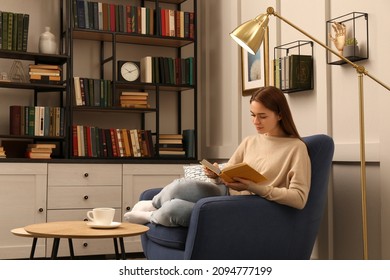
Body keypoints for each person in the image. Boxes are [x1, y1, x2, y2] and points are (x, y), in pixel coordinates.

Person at [124, 86, 311, 227]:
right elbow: (230, 168)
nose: (255, 121)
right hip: (226, 192)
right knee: (179, 186)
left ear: (279, 115)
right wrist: (217, 173)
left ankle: (150, 216)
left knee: (175, 209)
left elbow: (299, 199)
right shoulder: (250, 141)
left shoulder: (296, 148)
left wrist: (254, 187)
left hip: (246, 206)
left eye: (262, 116)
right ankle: (153, 204)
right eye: (252, 115)